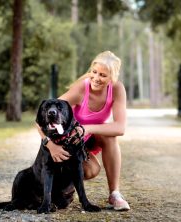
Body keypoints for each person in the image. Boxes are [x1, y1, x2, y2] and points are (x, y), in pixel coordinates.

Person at [36, 51, 130, 211]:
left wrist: (86, 129)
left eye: (103, 75)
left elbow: (120, 127)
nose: (96, 78)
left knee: (111, 137)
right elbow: (41, 119)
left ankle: (115, 194)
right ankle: (64, 187)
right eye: (94, 72)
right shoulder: (81, 88)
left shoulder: (117, 89)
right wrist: (50, 145)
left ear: (112, 77)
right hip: (71, 142)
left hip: (88, 136)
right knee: (92, 170)